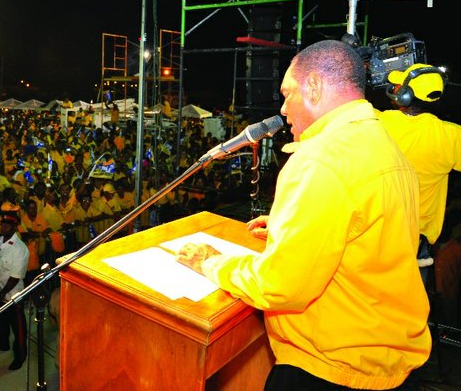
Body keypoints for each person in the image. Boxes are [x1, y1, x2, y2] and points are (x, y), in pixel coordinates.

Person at [176, 40, 431, 390]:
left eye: (287, 94)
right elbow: (368, 232)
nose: (283, 109)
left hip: (329, 369)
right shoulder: (381, 141)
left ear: (313, 86)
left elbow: (280, 286)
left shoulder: (320, 159)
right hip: (386, 359)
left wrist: (212, 263)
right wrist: (292, 226)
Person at [376, 63, 461, 272]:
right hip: (417, 248)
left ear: (405, 95)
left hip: (375, 236)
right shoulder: (451, 136)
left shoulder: (375, 122)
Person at [0, 212, 29, 371]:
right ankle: (1, 344)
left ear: (15, 227)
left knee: (18, 327)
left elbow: (16, 276)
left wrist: (2, 293)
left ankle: (20, 355)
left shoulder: (20, 248)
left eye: (7, 224)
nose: (3, 226)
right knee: (0, 322)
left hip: (12, 295)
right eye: (2, 224)